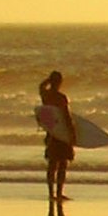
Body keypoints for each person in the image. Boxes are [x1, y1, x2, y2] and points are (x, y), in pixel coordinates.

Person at [38, 70, 75, 203]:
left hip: (51, 133)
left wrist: (48, 80)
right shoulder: (61, 97)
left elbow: (41, 87)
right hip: (62, 133)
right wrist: (72, 134)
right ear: (60, 82)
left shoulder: (46, 96)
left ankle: (50, 193)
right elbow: (66, 117)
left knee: (52, 164)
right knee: (62, 164)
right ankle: (59, 193)